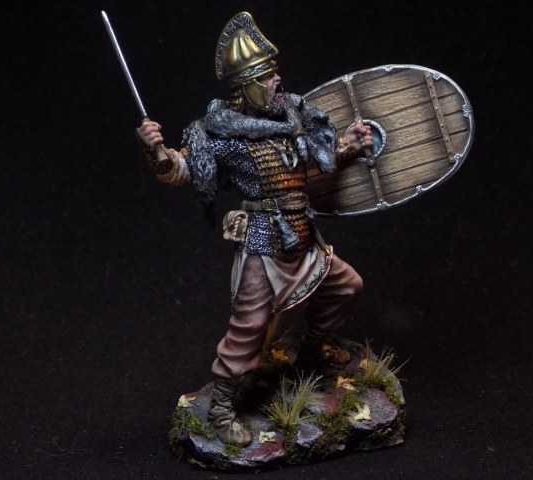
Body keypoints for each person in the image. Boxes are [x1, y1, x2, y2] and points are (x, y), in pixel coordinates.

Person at [137, 12, 373, 446]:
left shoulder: (292, 116)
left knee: (345, 286)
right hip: (264, 243)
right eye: (265, 76)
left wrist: (348, 148)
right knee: (248, 330)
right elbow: (182, 169)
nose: (275, 80)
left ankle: (312, 351)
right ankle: (221, 408)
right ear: (244, 88)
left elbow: (314, 162)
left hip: (303, 234)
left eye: (274, 72)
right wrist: (157, 151)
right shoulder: (223, 135)